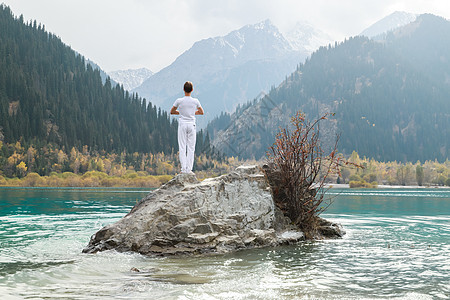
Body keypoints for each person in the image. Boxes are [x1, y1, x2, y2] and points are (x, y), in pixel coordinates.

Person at [170, 81, 204, 174]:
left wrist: (180, 112)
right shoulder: (195, 101)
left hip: (182, 125)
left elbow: (172, 111)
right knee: (191, 148)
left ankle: (183, 169)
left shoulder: (179, 101)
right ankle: (189, 169)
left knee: (182, 147)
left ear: (183, 90)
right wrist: (192, 113)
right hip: (191, 125)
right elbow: (201, 112)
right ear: (192, 90)